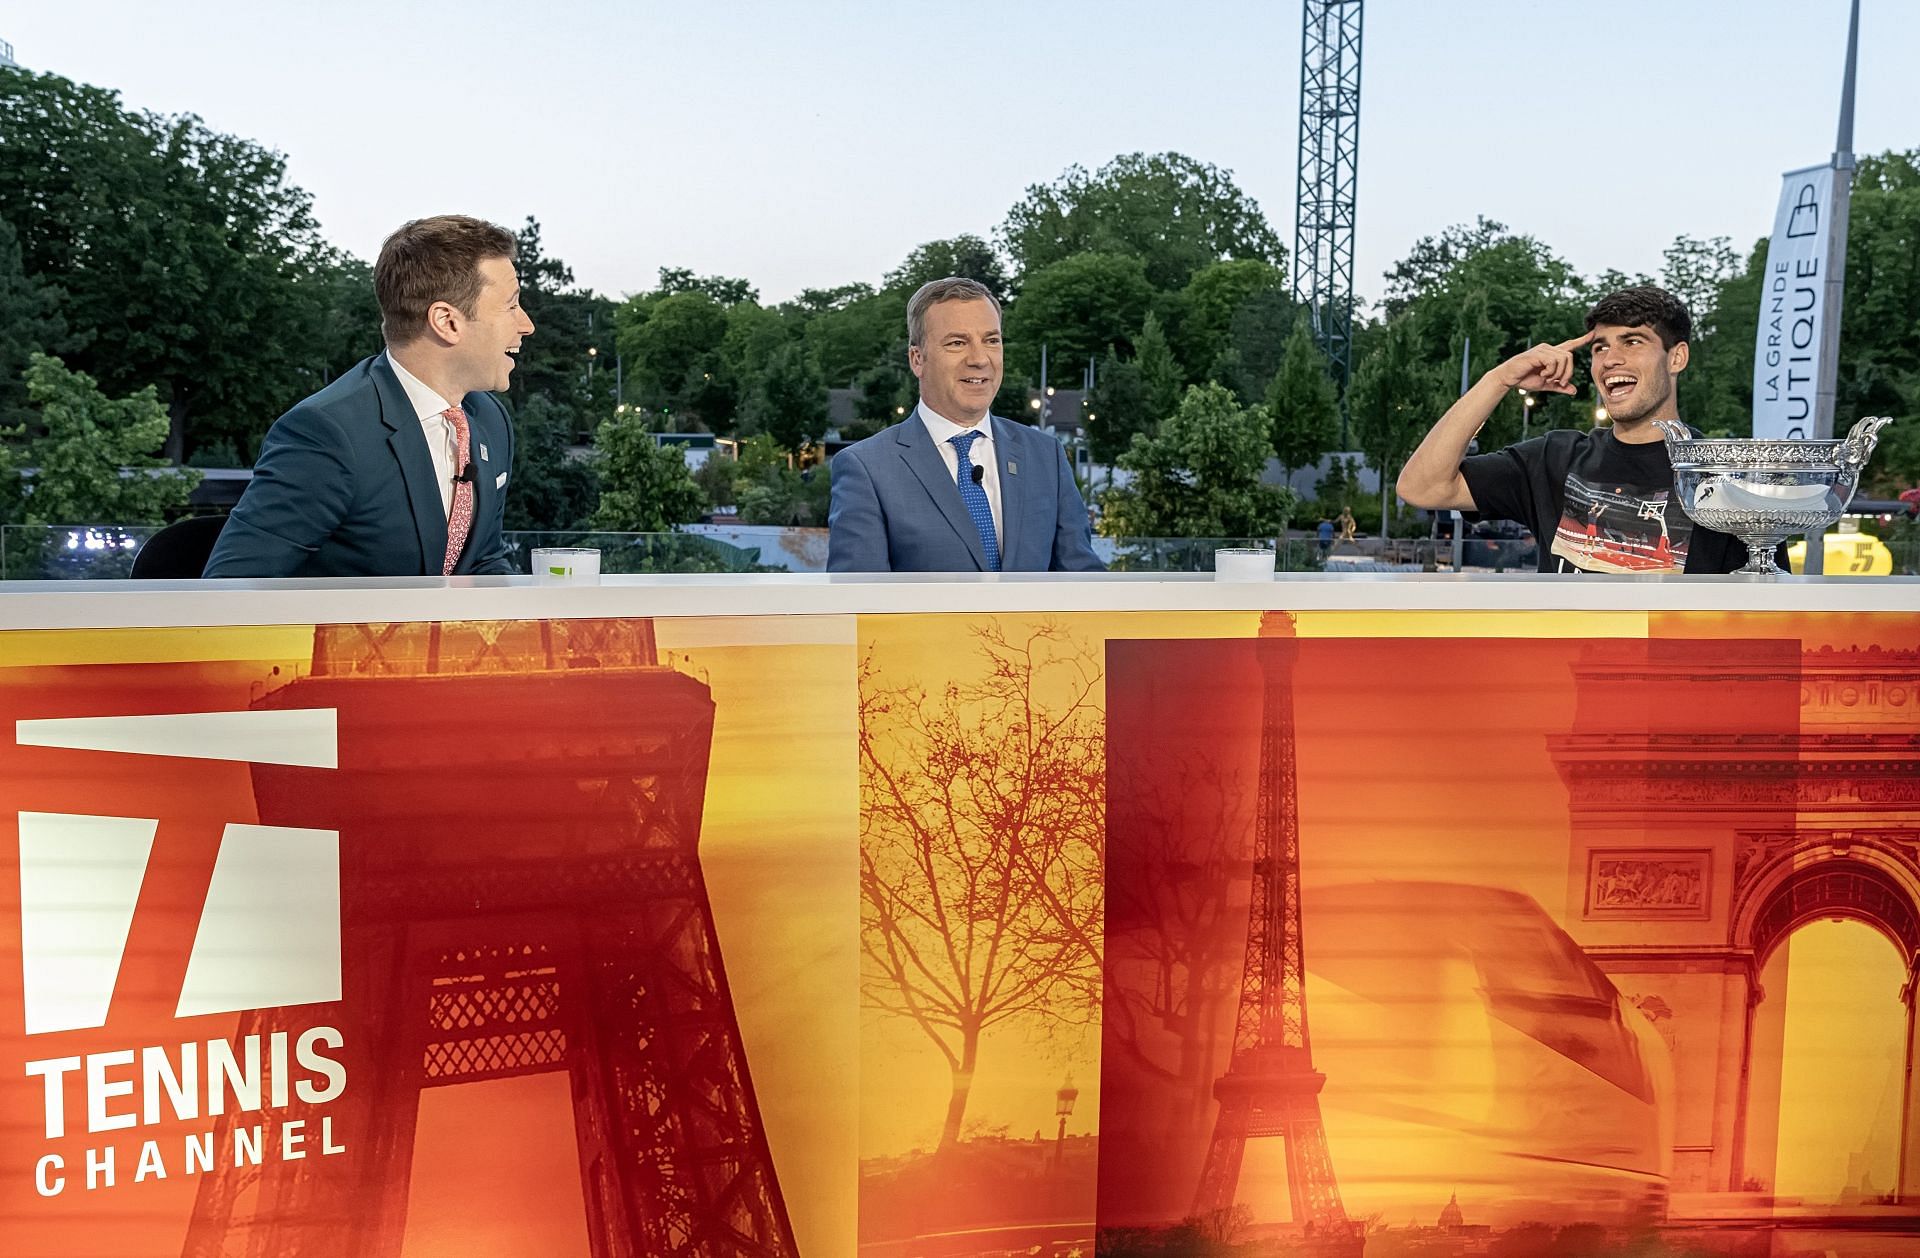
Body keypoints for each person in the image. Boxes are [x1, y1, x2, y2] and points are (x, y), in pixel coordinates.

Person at [205, 215, 530, 578]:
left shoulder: (489, 419)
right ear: (447, 321)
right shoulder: (326, 434)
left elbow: (483, 560)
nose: (526, 325)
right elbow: (231, 590)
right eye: (511, 306)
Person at [1396, 286, 1757, 574]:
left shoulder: (1723, 475)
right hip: (1565, 667)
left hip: (1668, 665)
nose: (1610, 359)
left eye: (1632, 342)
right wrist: (1498, 380)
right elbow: (1422, 487)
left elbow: (1764, 615)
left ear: (1676, 357)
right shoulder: (1554, 459)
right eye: (1600, 347)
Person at [827, 277, 1102, 573]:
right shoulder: (866, 468)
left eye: (991, 341)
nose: (979, 359)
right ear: (917, 359)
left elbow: (1081, 582)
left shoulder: (1045, 455)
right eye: (957, 343)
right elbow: (860, 605)